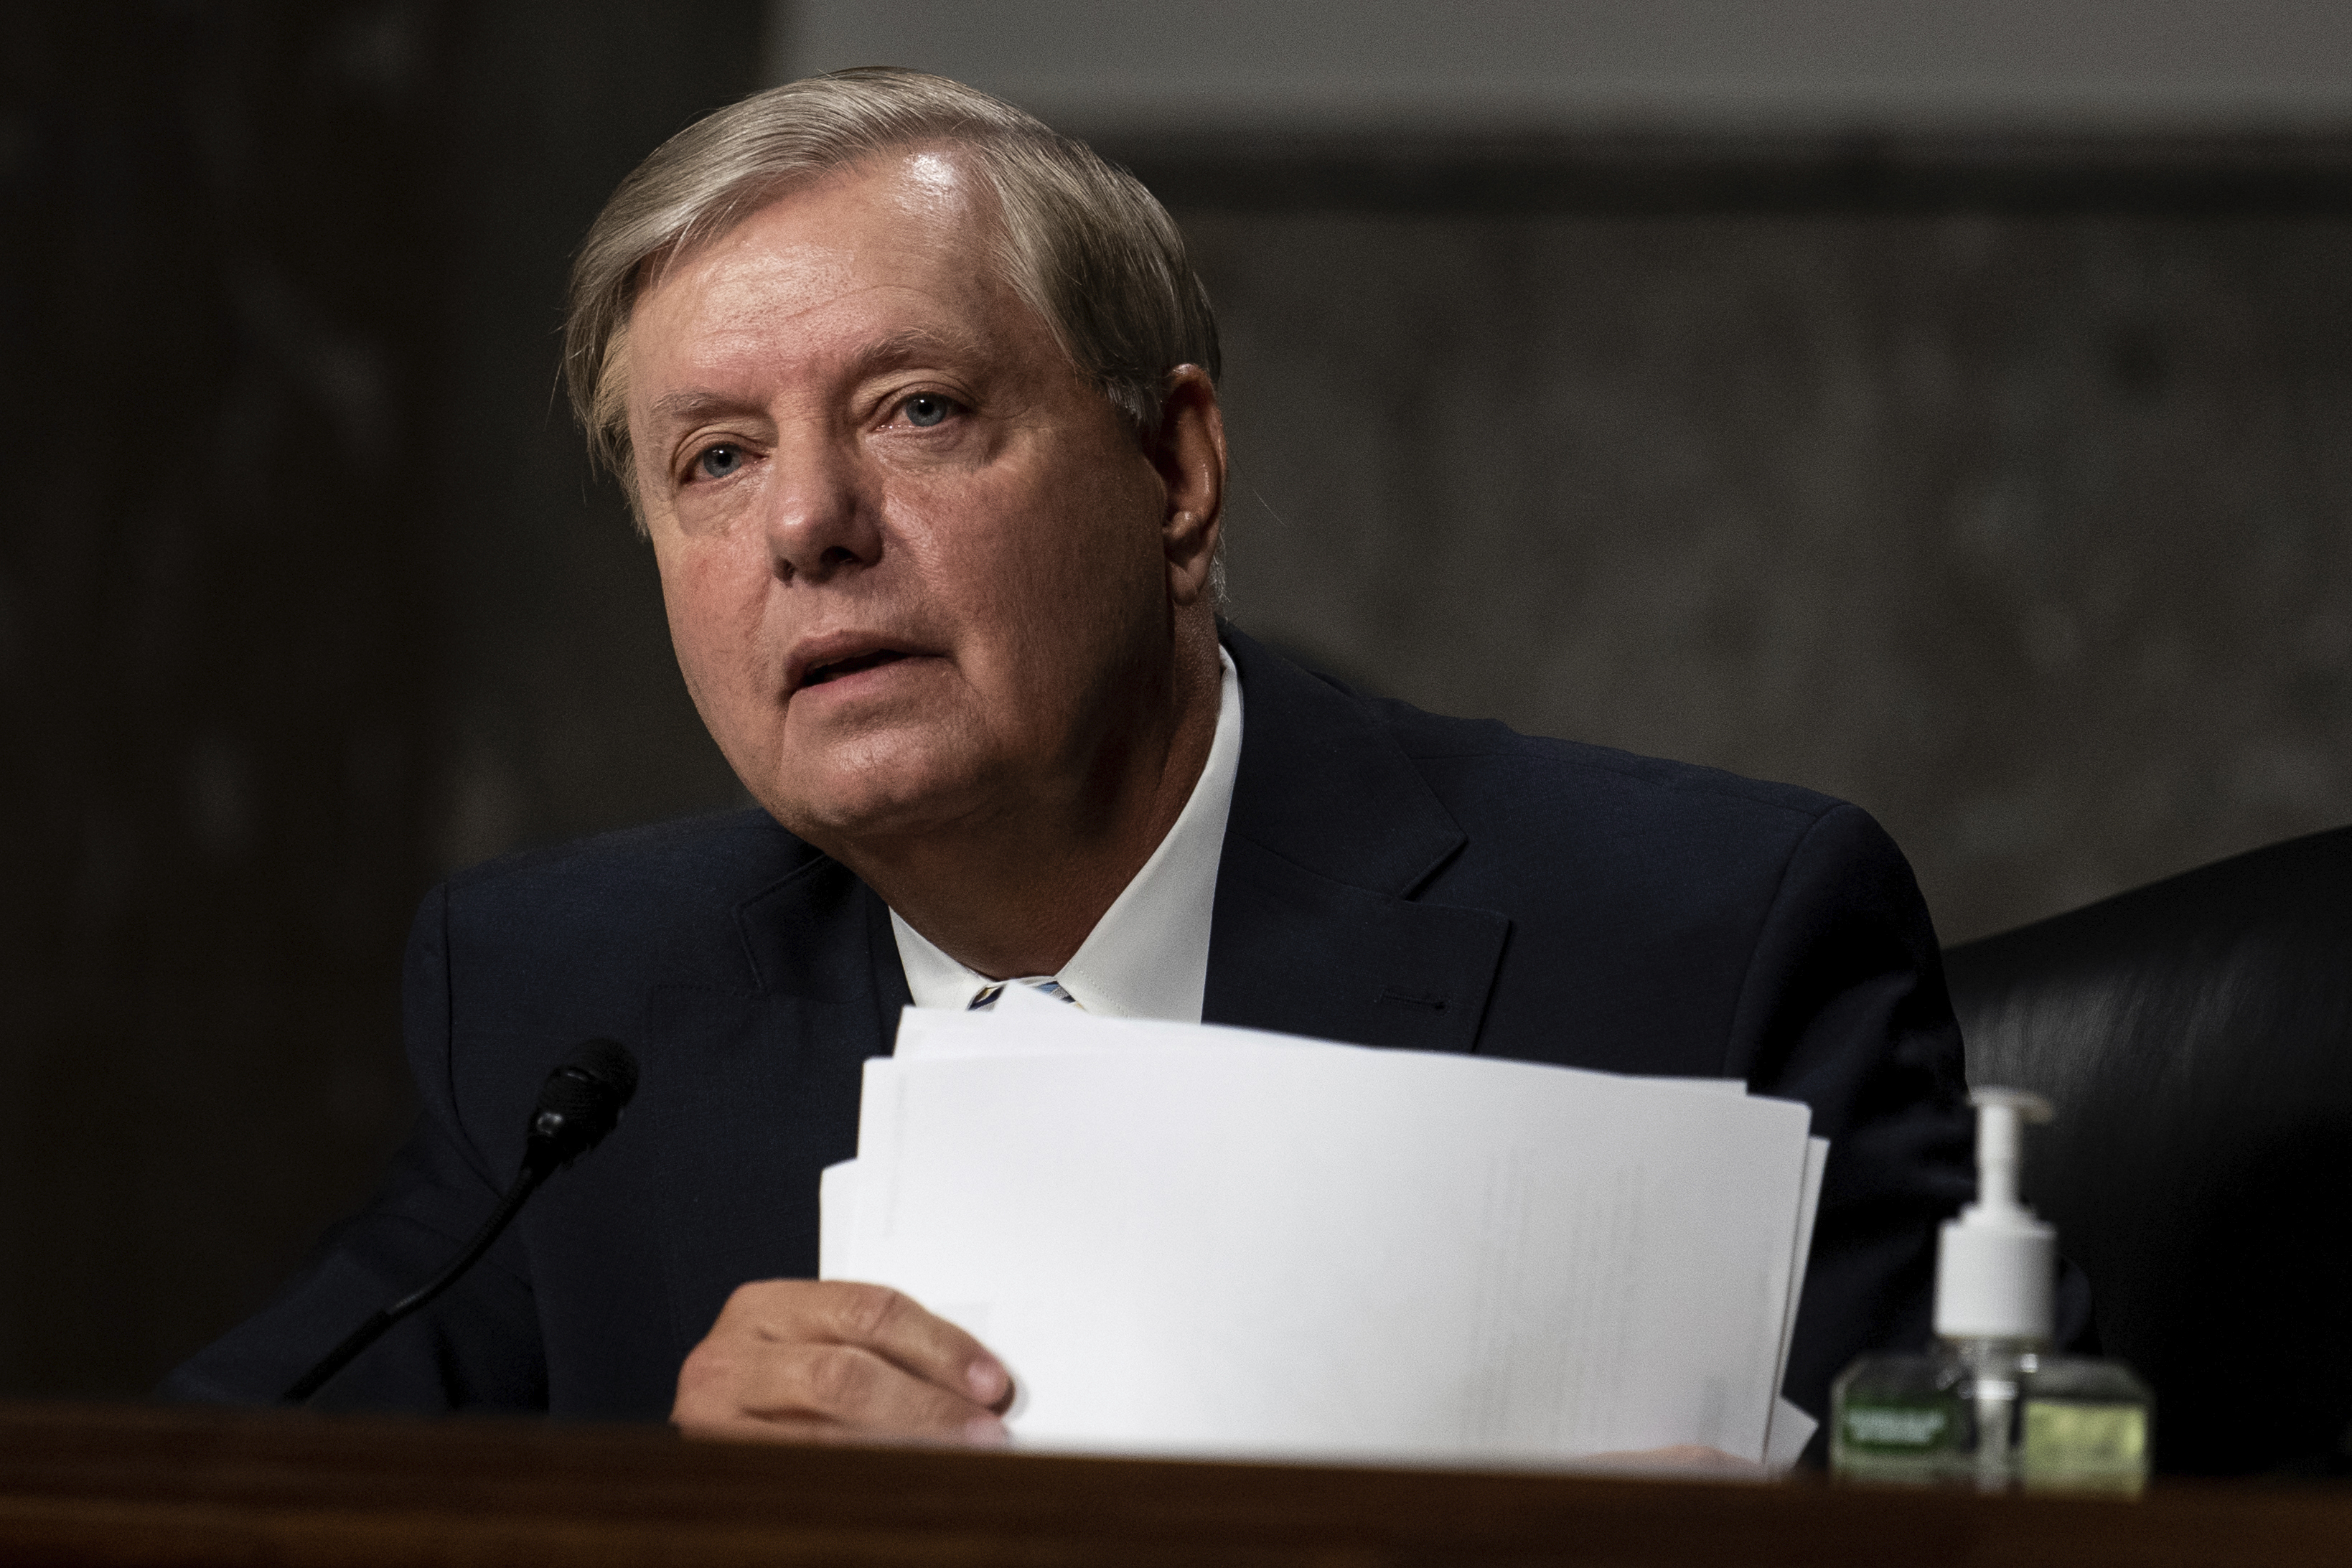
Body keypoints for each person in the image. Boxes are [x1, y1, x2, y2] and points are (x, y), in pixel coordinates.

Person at [166, 67, 2028, 1448]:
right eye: (714, 458)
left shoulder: (1703, 941)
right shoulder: (575, 1008)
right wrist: (674, 1519)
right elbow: (201, 1497)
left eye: (916, 408)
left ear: (1176, 473)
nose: (808, 521)